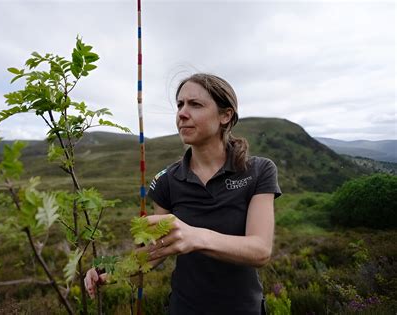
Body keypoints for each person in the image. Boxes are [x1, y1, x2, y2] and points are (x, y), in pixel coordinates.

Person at [85, 73, 281, 314]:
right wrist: (108, 273)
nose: (182, 113)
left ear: (225, 115)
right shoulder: (167, 180)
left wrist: (194, 237)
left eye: (195, 104)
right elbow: (156, 251)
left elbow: (260, 250)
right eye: (180, 105)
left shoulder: (259, 171)